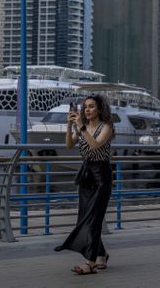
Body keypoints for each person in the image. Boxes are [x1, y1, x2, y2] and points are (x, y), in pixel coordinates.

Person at [54, 94, 114, 275]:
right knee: (86, 217)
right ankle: (102, 254)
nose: (87, 110)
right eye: (85, 107)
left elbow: (95, 145)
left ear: (99, 109)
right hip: (86, 176)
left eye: (91, 106)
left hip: (101, 177)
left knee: (94, 219)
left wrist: (80, 127)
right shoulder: (83, 127)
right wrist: (70, 124)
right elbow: (69, 145)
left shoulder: (107, 127)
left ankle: (90, 262)